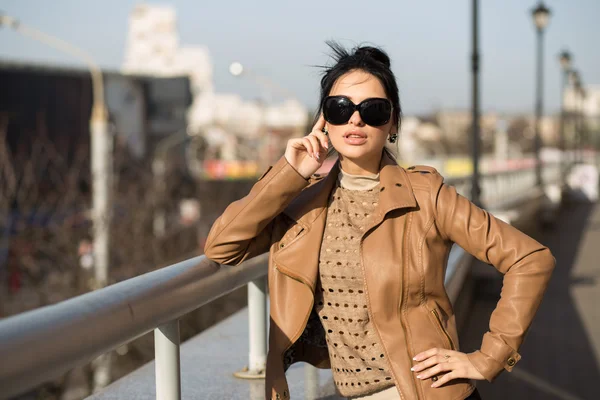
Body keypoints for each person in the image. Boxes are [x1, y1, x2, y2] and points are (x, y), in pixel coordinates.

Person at [204, 42, 555, 400]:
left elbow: (530, 258)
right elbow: (222, 247)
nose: (355, 119)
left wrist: (488, 358)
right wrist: (290, 172)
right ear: (323, 120)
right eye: (339, 108)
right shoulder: (302, 206)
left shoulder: (426, 196)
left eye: (373, 109)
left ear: (393, 122)